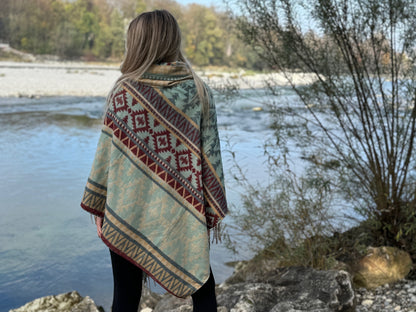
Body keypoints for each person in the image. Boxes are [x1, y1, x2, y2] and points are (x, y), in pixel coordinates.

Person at [80, 9, 228, 312]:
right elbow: (210, 158)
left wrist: (100, 206)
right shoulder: (199, 91)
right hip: (185, 215)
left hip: (126, 208)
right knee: (204, 289)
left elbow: (105, 157)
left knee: (125, 293)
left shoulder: (124, 91)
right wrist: (209, 208)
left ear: (136, 43)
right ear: (173, 40)